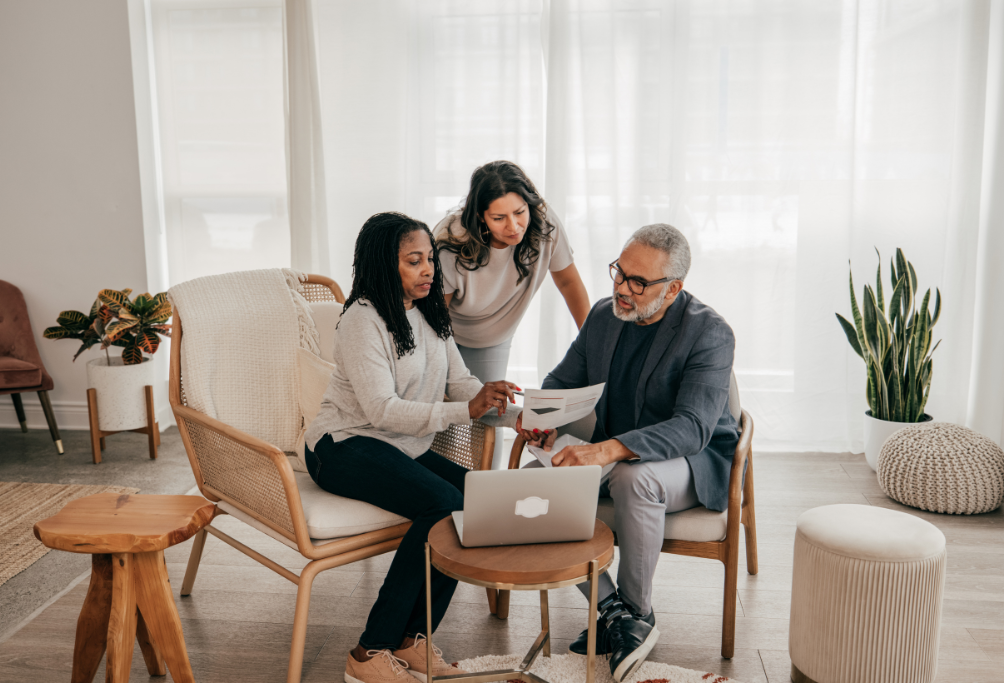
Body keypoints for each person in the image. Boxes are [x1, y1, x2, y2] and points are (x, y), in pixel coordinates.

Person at [303, 212, 520, 683]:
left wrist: (519, 418)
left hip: (403, 447)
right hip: (342, 444)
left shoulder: (429, 314)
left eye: (429, 260)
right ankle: (369, 652)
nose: (428, 270)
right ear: (386, 264)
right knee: (443, 504)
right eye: (413, 261)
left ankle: (411, 639)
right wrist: (465, 410)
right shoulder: (362, 321)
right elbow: (381, 409)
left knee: (477, 503)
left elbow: (462, 384)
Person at [518, 224, 739, 683]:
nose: (621, 287)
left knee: (633, 477)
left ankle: (638, 611)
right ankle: (616, 614)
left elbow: (693, 427)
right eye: (619, 272)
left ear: (672, 289)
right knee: (539, 479)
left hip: (692, 461)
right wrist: (542, 418)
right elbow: (563, 381)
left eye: (638, 282)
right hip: (616, 453)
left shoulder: (709, 332)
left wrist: (609, 450)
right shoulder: (604, 316)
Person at [435, 161, 591, 466]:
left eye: (520, 212)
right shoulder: (451, 242)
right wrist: (454, 382)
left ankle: (485, 491)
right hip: (443, 334)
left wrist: (592, 343)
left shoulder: (545, 225)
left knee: (492, 421)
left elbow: (569, 282)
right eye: (498, 218)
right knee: (446, 422)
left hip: (493, 337)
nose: (514, 226)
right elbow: (435, 323)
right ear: (479, 216)